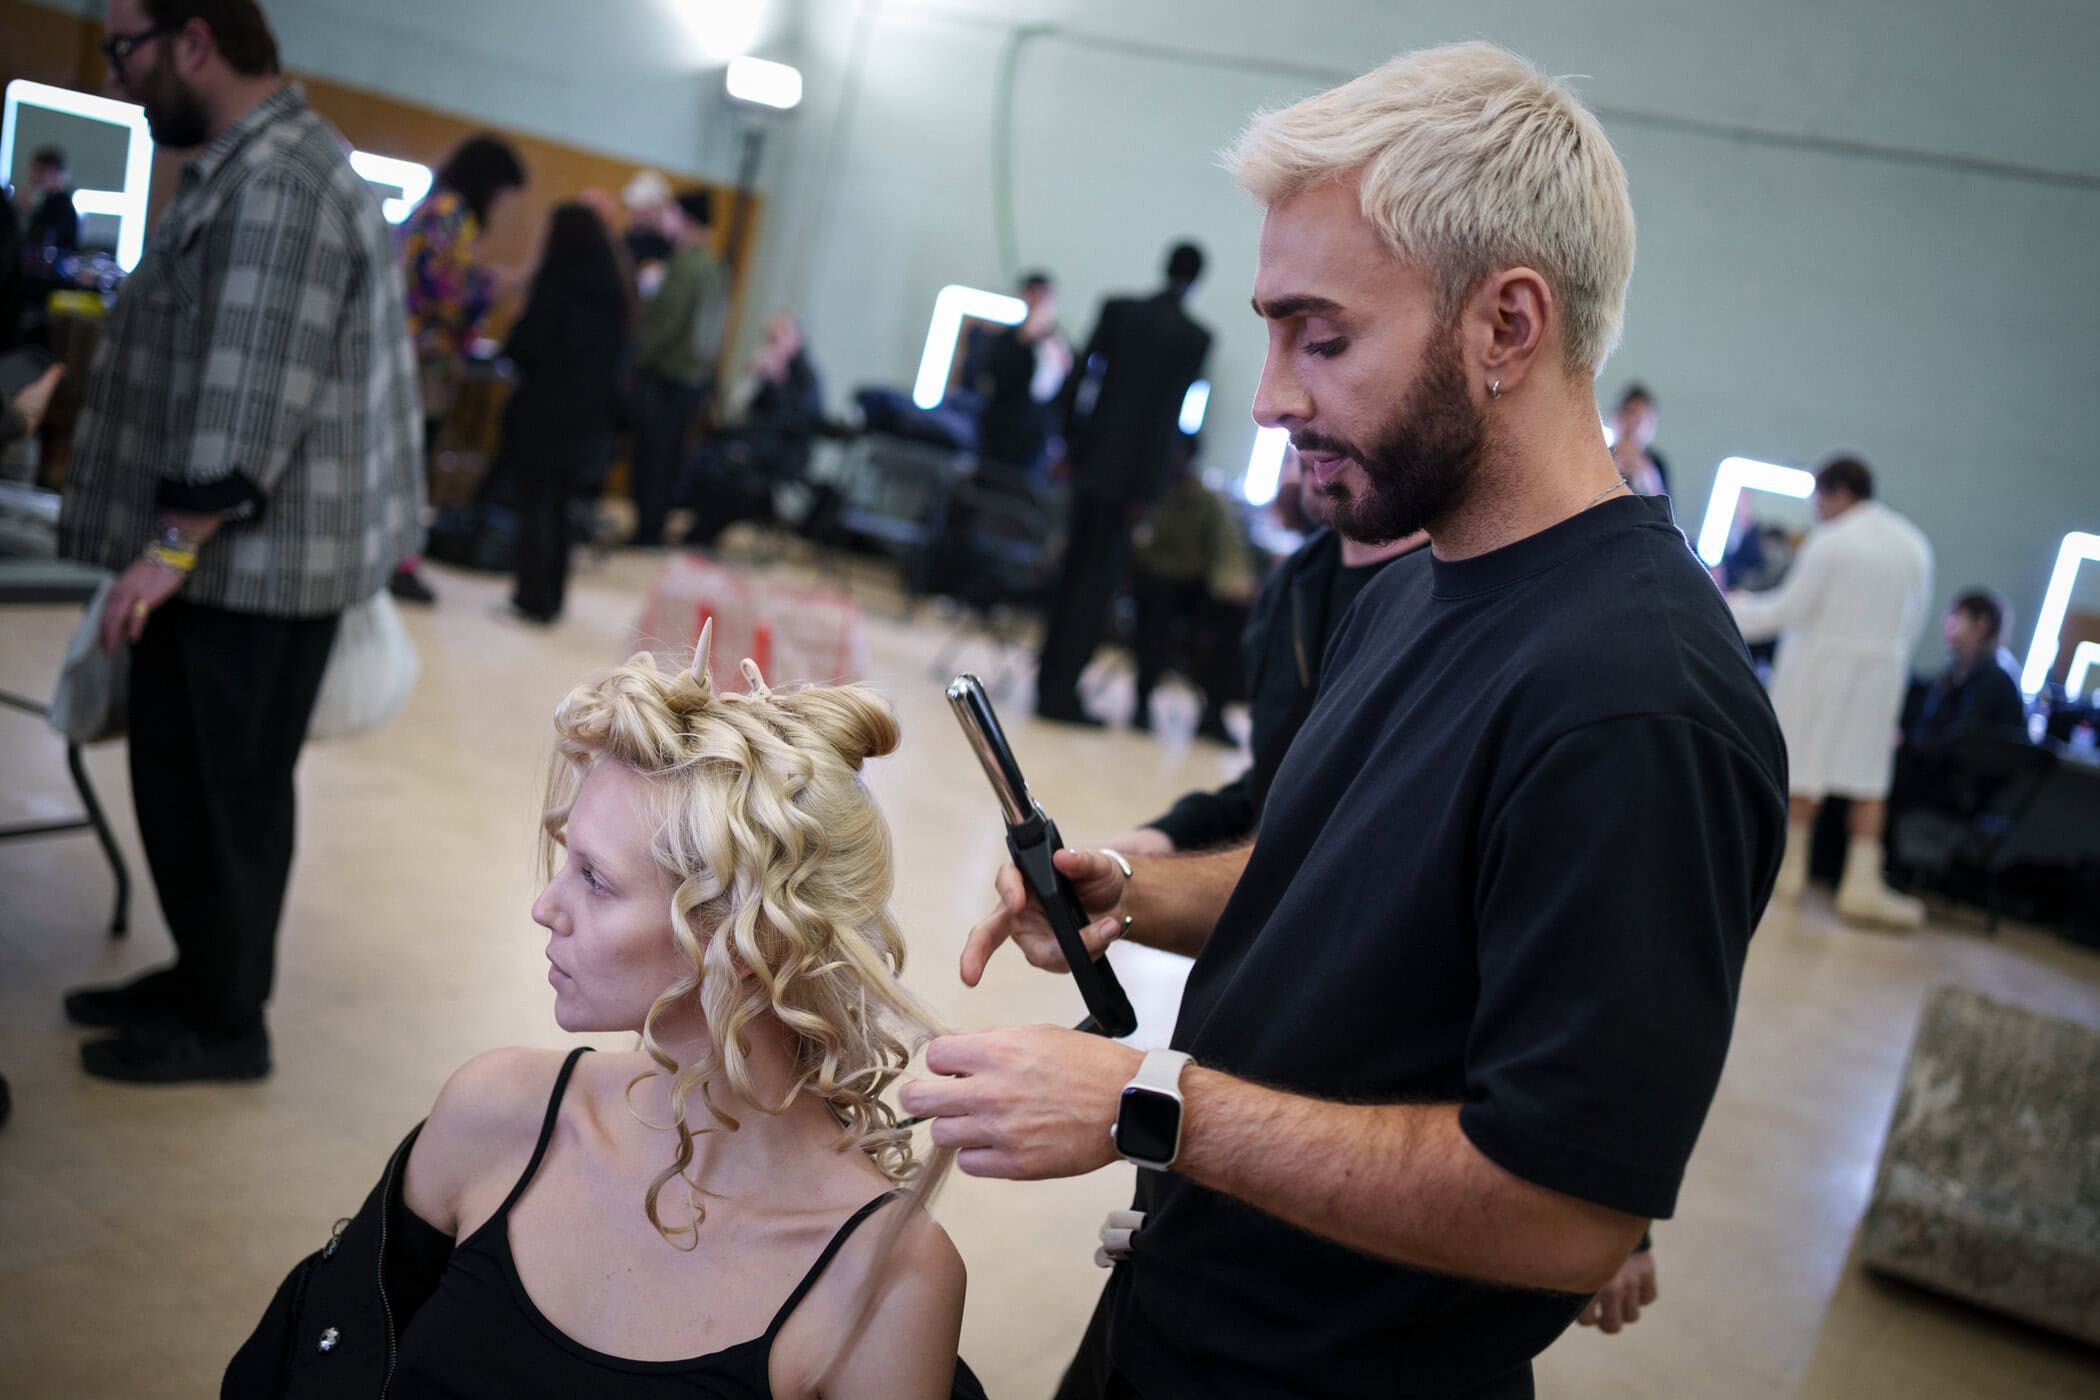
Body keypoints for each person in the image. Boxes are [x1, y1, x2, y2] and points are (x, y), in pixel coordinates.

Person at [901, 43, 1787, 1399]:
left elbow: (1566, 1212)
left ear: (1507, 326)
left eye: (1324, 337)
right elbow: (1341, 876)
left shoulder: (1636, 704)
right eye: (1270, 332)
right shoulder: (1417, 578)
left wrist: (1151, 1106)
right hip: (1175, 1314)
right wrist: (1142, 892)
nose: (1271, 396)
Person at [226, 645, 973, 1397]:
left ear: (747, 939)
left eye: (595, 879)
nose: (546, 908)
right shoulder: (496, 1115)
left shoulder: (889, 1280)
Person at [55, 0, 423, 1083]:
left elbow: (245, 401)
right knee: (199, 789)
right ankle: (203, 976)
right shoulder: (254, 162)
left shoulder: (280, 182)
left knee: (222, 796)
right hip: (236, 565)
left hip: (245, 569)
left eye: (127, 49)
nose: (119, 73)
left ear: (195, 41)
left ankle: (225, 1024)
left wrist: (166, 550)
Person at [1110, 445, 1423, 853]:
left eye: (1336, 377)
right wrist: (1158, 840)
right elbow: (1274, 792)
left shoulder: (1454, 609)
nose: (1280, 411)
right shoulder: (1295, 582)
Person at [1729, 455, 1935, 929]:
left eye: (1818, 498)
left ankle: (1788, 874)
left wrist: (1729, 606)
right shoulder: (1913, 544)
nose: (1816, 509)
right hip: (1881, 676)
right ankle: (1861, 884)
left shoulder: (1832, 542)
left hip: (1820, 670)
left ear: (1838, 493)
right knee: (1868, 782)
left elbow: (1788, 609)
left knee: (1805, 771)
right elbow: (1915, 620)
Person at [1034, 241, 1212, 725]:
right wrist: (1155, 486)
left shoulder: (1119, 311)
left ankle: (1048, 682)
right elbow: (1173, 420)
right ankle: (1061, 693)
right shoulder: (1194, 338)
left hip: (1092, 465)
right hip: (1135, 483)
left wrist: (1070, 446)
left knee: (1072, 575)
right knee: (1098, 587)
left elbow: (1080, 380)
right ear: (1196, 279)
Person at [394, 132, 528, 604]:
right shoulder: (450, 214)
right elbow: (447, 292)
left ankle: (398, 559)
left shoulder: (438, 208)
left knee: (412, 458)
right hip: (423, 359)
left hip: (419, 355)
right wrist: (498, 284)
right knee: (411, 462)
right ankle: (397, 563)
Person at [500, 201, 630, 624]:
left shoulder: (555, 283)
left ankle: (531, 594)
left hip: (543, 411)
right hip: (588, 421)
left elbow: (525, 347)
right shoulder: (615, 292)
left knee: (536, 503)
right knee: (561, 507)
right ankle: (552, 594)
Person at [1127, 435, 1252, 742]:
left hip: (1190, 586)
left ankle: (1214, 711)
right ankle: (1142, 702)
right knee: (1156, 605)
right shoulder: (1145, 492)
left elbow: (1226, 550)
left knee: (1235, 615)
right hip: (1149, 585)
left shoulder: (1206, 501)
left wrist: (1234, 585)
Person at [680, 311, 825, 549]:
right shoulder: (766, 366)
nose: (772, 344)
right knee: (707, 455)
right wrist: (753, 378)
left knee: (733, 466)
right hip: (754, 442)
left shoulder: (806, 376)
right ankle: (703, 526)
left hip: (783, 453)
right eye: (769, 338)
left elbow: (798, 421)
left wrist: (778, 383)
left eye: (778, 338)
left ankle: (708, 529)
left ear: (796, 339)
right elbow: (736, 408)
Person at [629, 188, 719, 546]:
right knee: (668, 460)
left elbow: (666, 324)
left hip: (666, 377)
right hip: (691, 380)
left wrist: (638, 359)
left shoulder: (685, 264)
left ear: (683, 219)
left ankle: (647, 530)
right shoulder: (712, 266)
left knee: (652, 460)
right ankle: (652, 527)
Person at [972, 270, 1072, 478]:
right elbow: (994, 376)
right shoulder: (1004, 340)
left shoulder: (1057, 347)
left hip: (1035, 437)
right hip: (998, 429)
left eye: (1043, 296)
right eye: (1032, 294)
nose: (1037, 302)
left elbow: (1052, 391)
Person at [1908, 589, 2025, 748]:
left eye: (1956, 615)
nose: (1947, 622)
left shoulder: (1994, 679)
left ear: (1982, 623)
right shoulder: (1957, 670)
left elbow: (1961, 741)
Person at [1608, 382, 1668, 497]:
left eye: (1644, 418)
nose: (1635, 424)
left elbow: (1666, 510)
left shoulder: (1656, 465)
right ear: (1616, 417)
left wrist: (1648, 476)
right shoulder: (1600, 456)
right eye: (1630, 413)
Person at [18, 146, 80, 251]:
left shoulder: (60, 203)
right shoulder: (52, 200)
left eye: (37, 170)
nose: (33, 176)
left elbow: (43, 239)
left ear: (51, 171)